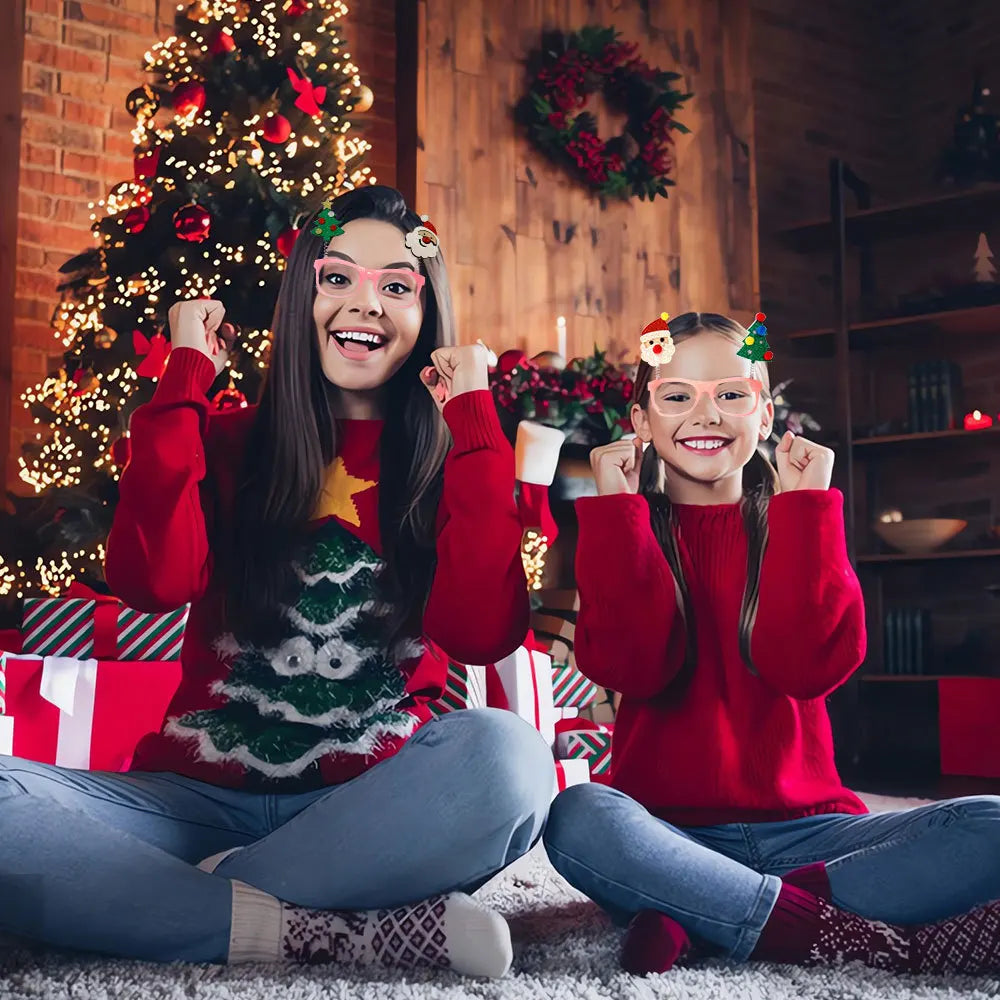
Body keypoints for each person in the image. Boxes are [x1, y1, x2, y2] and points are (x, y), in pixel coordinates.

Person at [0, 185, 554, 978]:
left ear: (427, 318)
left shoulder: (448, 465)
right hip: (191, 804)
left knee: (512, 760)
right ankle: (339, 929)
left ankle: (192, 906)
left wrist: (472, 419)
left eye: (396, 286)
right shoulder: (228, 441)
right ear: (304, 294)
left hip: (369, 806)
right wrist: (185, 372)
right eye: (338, 278)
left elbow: (479, 634)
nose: (365, 304)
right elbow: (153, 581)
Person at [543, 310, 1000, 977]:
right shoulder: (623, 529)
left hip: (814, 834)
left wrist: (809, 509)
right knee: (577, 816)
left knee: (989, 826)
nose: (707, 415)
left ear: (764, 415)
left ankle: (705, 918)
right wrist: (616, 514)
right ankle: (793, 922)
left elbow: (807, 668)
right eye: (677, 397)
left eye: (732, 394)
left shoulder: (798, 517)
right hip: (667, 836)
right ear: (642, 422)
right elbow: (632, 669)